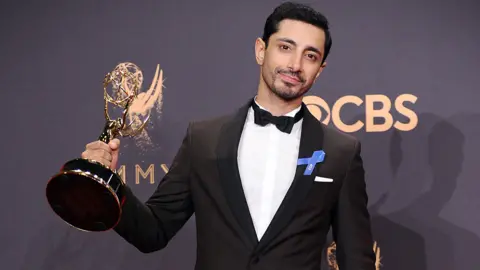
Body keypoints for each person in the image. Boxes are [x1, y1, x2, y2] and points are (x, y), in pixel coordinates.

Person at [82, 2, 376, 269]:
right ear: (261, 50)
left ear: (320, 69)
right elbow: (153, 231)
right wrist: (108, 184)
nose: (295, 65)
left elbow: (356, 260)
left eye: (310, 55)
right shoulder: (204, 139)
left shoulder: (341, 153)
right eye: (285, 47)